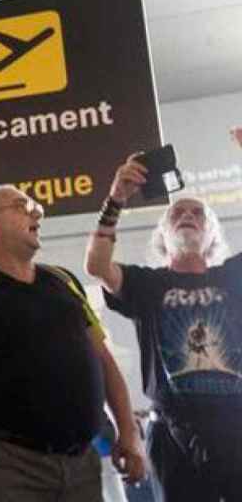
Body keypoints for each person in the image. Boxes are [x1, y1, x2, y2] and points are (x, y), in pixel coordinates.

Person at [0, 184, 145, 502]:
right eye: (20, 205)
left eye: (34, 205)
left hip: (83, 460)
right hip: (8, 467)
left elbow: (103, 360)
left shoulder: (63, 280)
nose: (36, 211)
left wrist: (129, 431)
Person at [85, 142, 242, 501]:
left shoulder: (233, 277)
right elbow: (96, 266)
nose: (187, 215)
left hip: (235, 421)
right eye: (177, 213)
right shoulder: (147, 285)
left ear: (214, 235)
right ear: (162, 236)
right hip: (172, 428)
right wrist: (116, 199)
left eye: (198, 213)